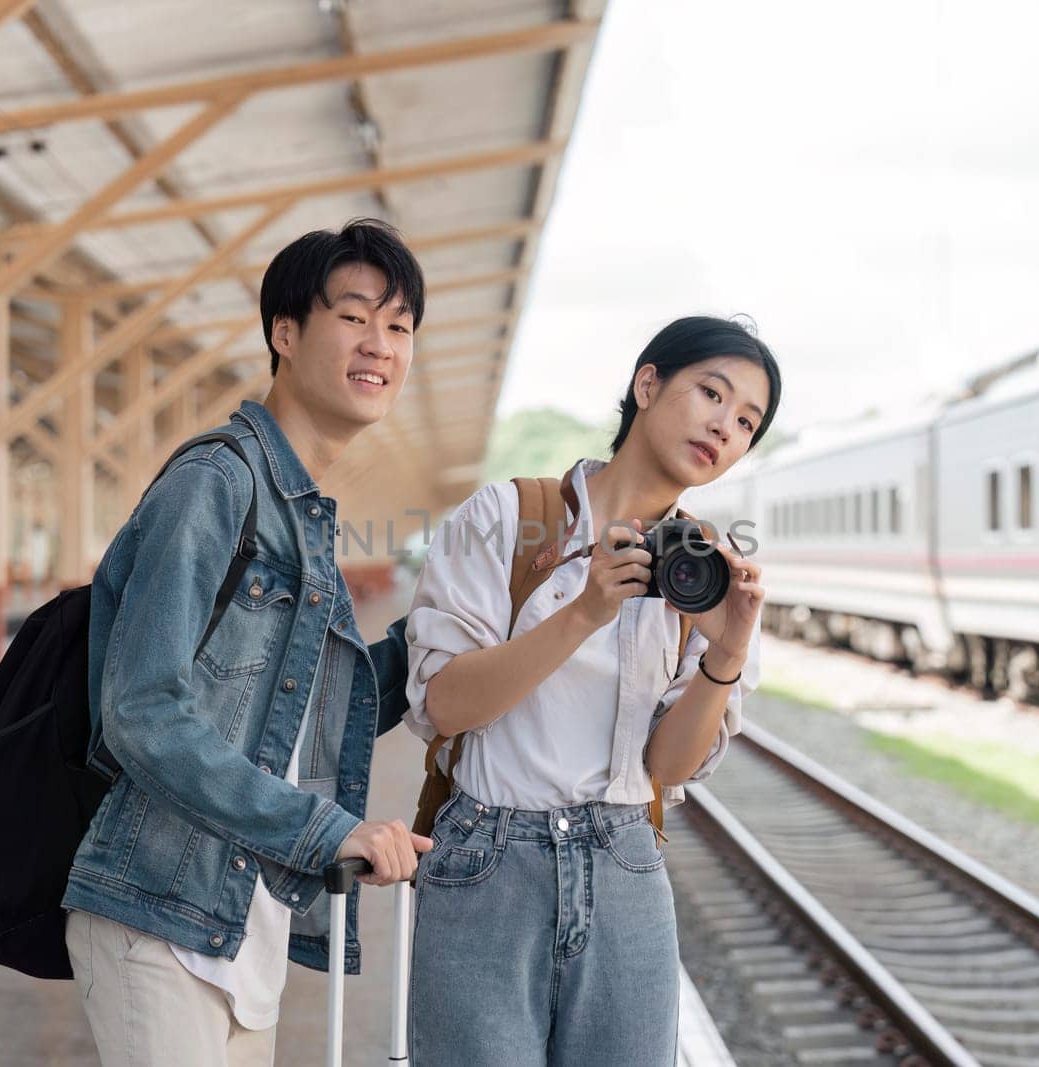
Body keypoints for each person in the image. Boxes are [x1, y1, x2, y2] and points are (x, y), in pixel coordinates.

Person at [62, 219, 433, 1066]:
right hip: (157, 911)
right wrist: (321, 827)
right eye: (354, 316)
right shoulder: (217, 483)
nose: (380, 343)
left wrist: (445, 632)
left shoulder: (303, 516)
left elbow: (304, 713)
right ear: (285, 331)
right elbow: (143, 710)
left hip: (242, 924)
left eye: (401, 325)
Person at [403, 315, 782, 1065]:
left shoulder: (704, 572)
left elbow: (668, 767)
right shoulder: (505, 518)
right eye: (711, 391)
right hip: (487, 862)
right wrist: (585, 609)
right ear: (647, 384)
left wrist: (728, 649)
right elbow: (445, 702)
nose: (724, 425)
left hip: (625, 863)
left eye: (746, 421)